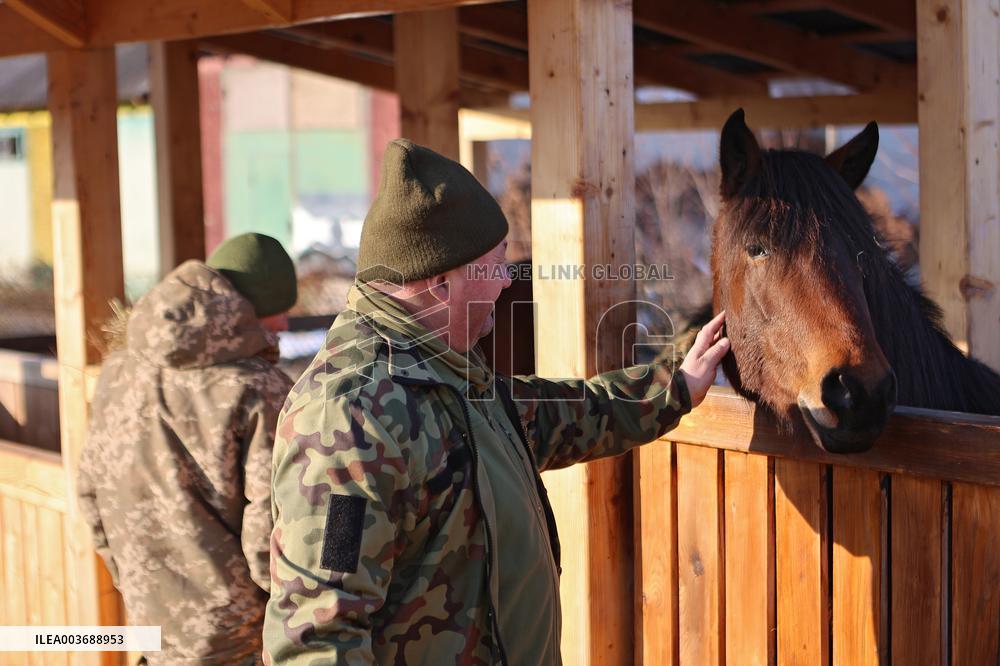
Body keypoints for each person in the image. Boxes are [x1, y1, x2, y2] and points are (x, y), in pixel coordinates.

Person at [264, 140, 728, 665]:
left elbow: (557, 415)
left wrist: (677, 384)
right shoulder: (350, 419)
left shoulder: (445, 370)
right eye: (494, 267)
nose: (508, 281)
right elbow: (320, 636)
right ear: (440, 283)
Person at [78, 233, 297, 665]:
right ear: (249, 310)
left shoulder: (118, 370)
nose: (286, 326)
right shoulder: (259, 389)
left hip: (153, 632)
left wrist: (136, 581)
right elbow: (268, 534)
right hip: (238, 642)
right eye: (280, 314)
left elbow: (91, 497)